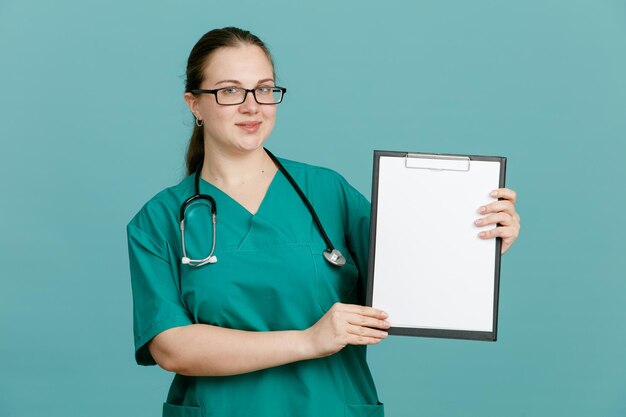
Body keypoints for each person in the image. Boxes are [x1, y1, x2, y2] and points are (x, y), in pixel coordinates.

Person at [127, 27, 521, 417]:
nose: (253, 106)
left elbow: (414, 277)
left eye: (265, 89)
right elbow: (171, 346)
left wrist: (479, 238)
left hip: (329, 405)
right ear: (194, 104)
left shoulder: (328, 192)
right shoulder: (159, 220)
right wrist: (308, 341)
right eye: (230, 91)